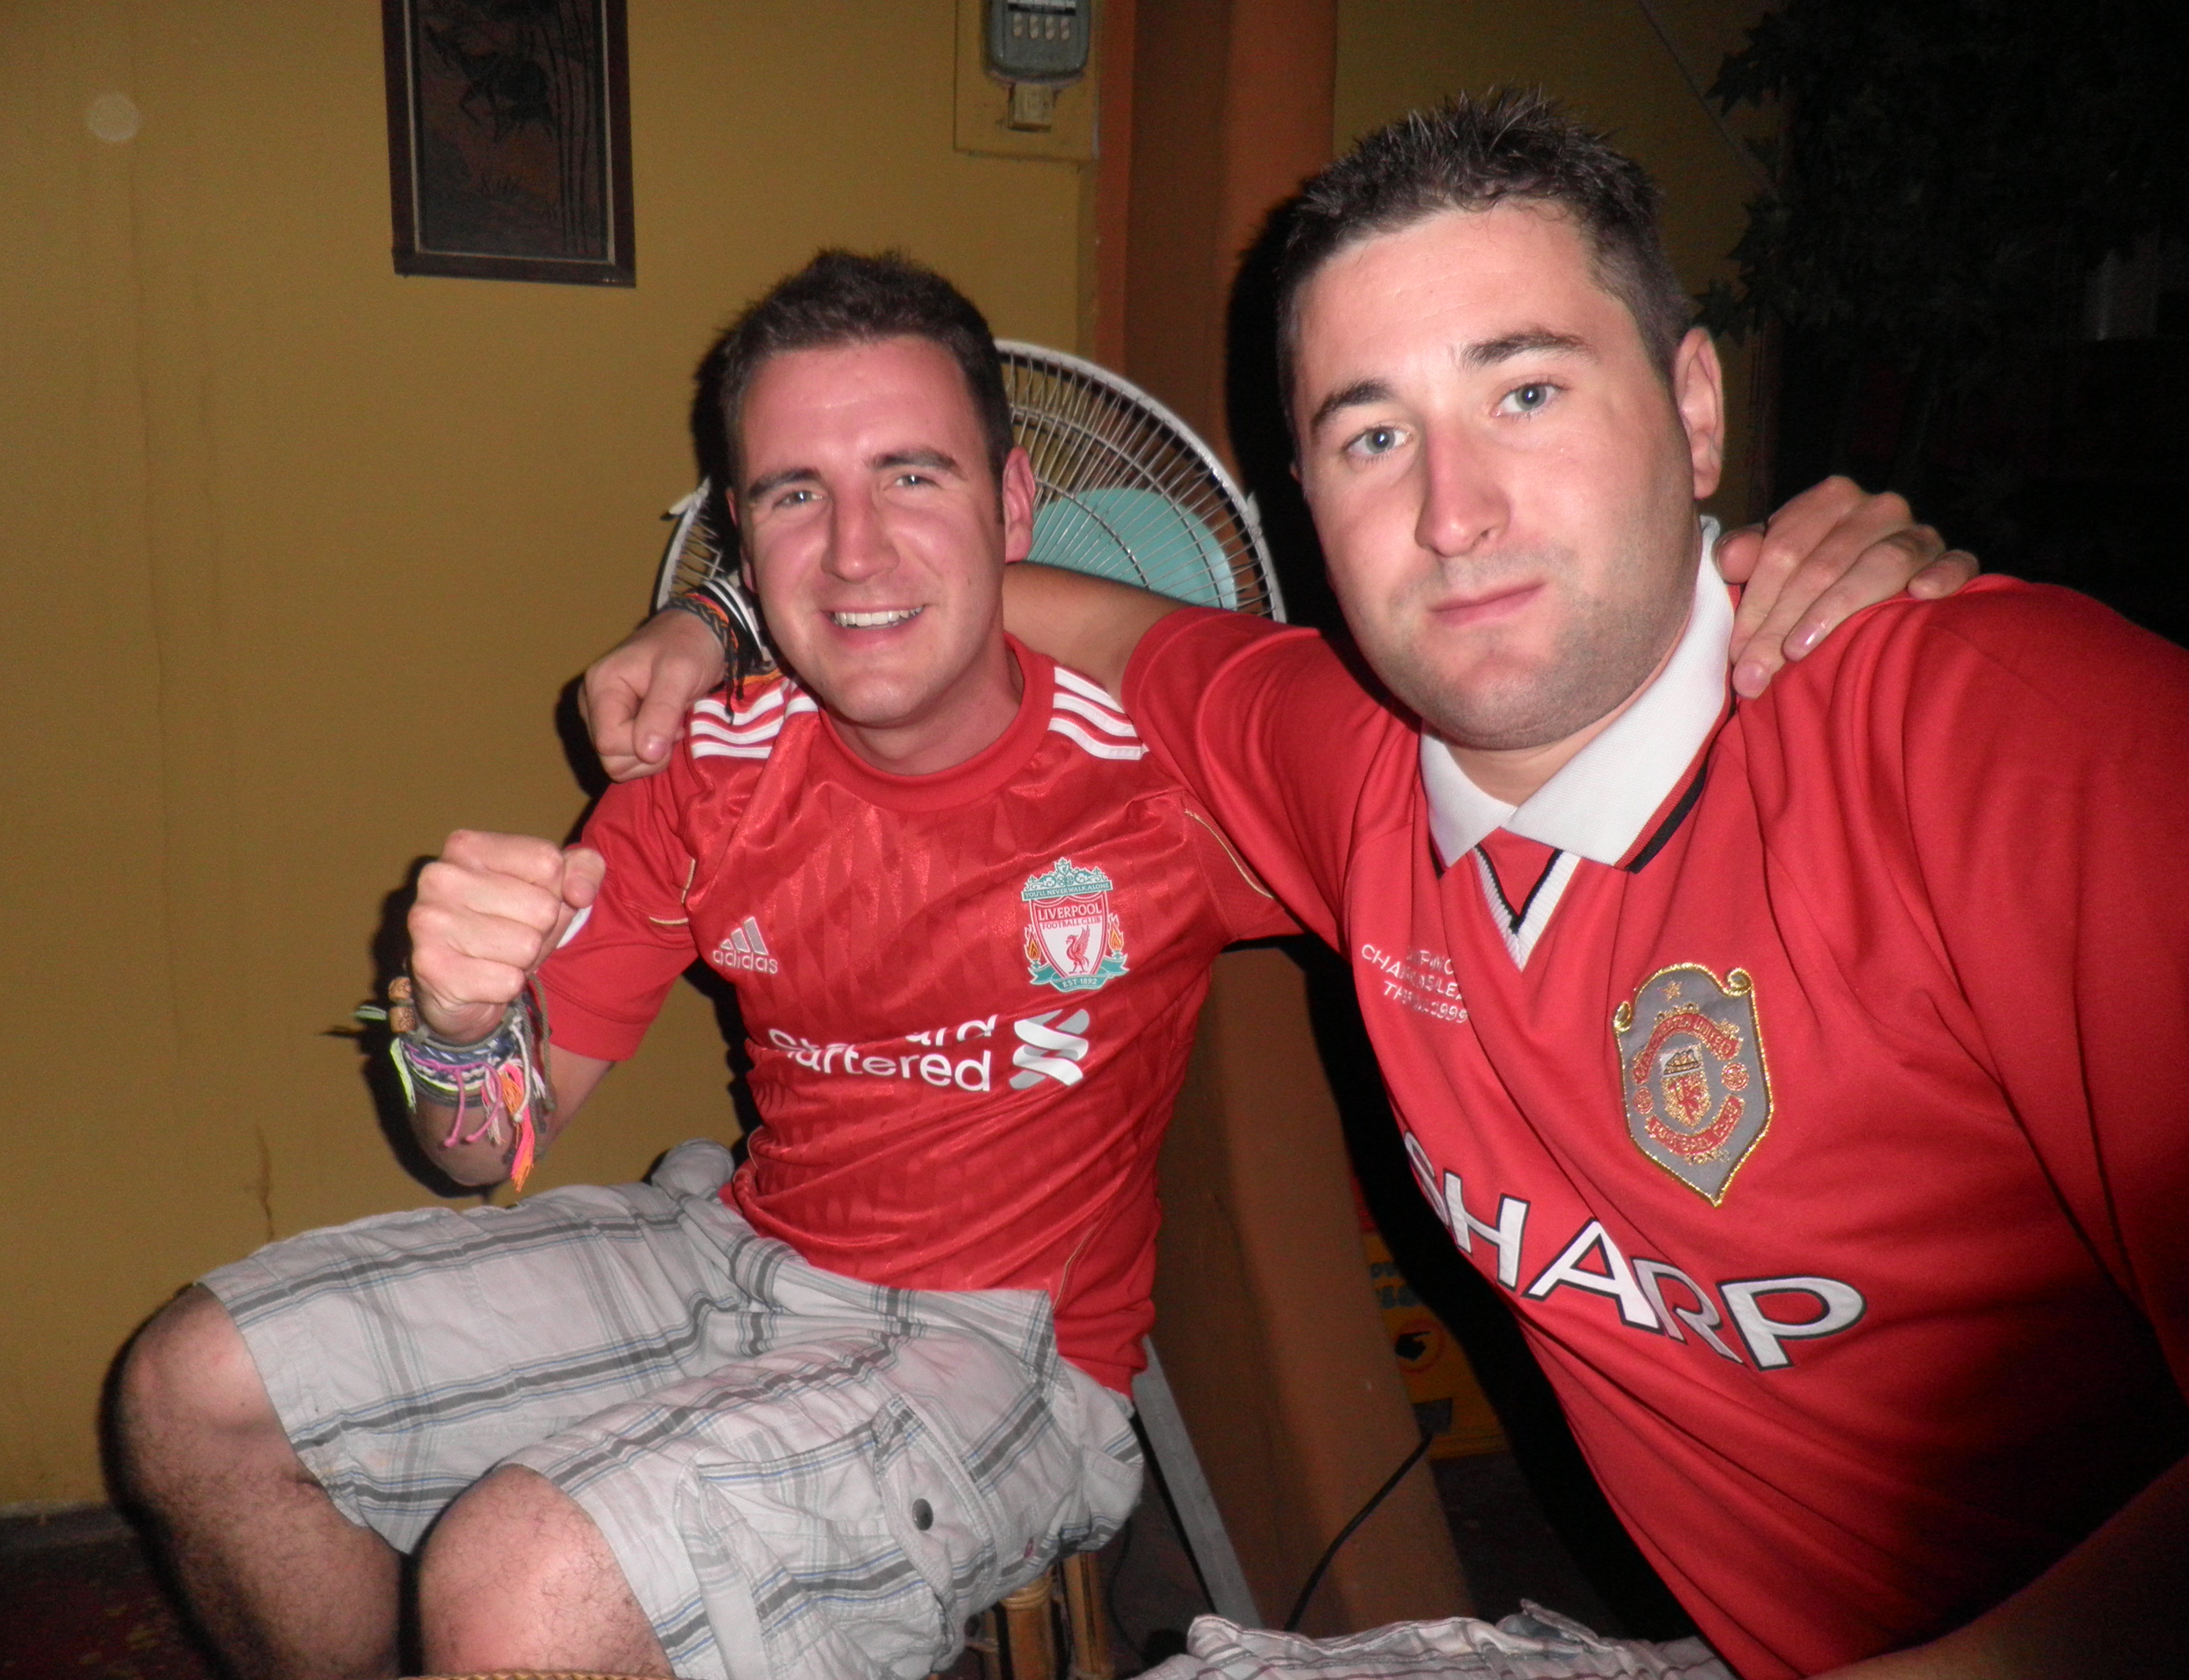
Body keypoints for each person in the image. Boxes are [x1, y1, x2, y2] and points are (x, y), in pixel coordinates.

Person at [116, 245, 1956, 1680]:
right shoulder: (702, 772)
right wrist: (455, 1025)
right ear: (739, 543)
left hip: (1009, 1352)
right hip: (739, 1248)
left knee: (519, 1572)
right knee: (189, 1389)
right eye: (793, 495)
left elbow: (1534, 729)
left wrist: (1794, 603)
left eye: (911, 476)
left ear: (1014, 508)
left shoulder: (1179, 767)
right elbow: (487, 1145)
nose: (856, 550)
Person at [586, 97, 2188, 1680]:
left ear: (1695, 407)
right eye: (1373, 437)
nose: (1452, 512)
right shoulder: (1334, 756)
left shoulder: (2027, 745)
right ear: (1304, 496)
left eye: (1528, 393)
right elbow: (1017, 604)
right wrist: (716, 620)